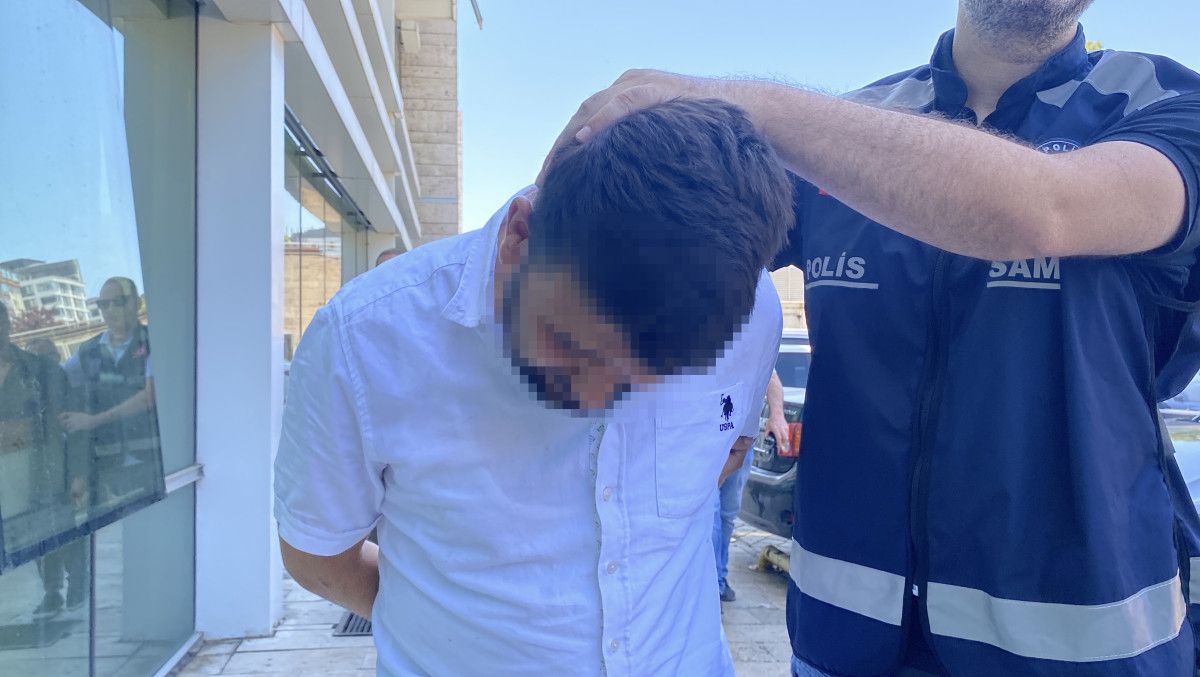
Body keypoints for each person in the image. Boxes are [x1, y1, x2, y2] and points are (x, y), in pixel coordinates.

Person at [548, 1, 1200, 675]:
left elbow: (1043, 208)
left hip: (1086, 654)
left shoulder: (1161, 102)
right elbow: (678, 266)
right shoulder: (849, 131)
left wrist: (732, 104)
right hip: (841, 645)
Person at [274, 99, 792, 675]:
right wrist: (450, 629)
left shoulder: (754, 314)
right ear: (518, 235)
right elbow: (318, 555)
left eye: (647, 380)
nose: (598, 397)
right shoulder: (366, 337)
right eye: (572, 345)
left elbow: (725, 451)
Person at [0, 303, 80, 617]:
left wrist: (76, 473)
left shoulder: (39, 370)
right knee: (28, 535)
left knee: (58, 528)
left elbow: (67, 424)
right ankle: (51, 591)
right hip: (6, 476)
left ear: (7, 324)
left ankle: (77, 583)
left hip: (43, 466)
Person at [61, 277, 159, 503]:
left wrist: (93, 421)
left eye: (119, 301)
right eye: (104, 304)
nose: (110, 309)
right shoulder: (88, 351)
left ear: (136, 303)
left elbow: (148, 397)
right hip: (109, 468)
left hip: (153, 461)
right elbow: (59, 379)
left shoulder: (154, 340)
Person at [712, 369, 788, 603]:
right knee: (713, 514)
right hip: (713, 441)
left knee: (725, 514)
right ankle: (713, 583)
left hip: (740, 442)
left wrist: (777, 415)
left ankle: (718, 579)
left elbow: (771, 376)